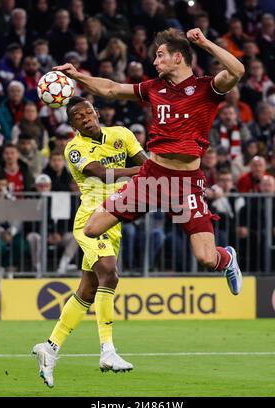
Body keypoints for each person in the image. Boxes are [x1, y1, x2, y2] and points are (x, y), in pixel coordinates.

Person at [54, 27, 244, 296]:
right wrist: (76, 76)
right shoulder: (154, 88)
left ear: (178, 57)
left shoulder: (207, 88)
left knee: (206, 258)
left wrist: (204, 43)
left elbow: (237, 71)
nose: (154, 62)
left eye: (160, 55)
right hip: (151, 177)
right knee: (92, 228)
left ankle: (227, 259)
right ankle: (94, 284)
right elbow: (110, 89)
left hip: (185, 185)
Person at [32, 97, 147, 387]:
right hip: (90, 222)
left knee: (88, 289)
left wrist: (154, 171)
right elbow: (100, 173)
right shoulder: (74, 148)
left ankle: (50, 347)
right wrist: (140, 172)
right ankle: (108, 350)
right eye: (77, 116)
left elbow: (147, 164)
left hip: (115, 220)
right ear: (72, 124)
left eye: (87, 112)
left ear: (97, 113)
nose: (85, 117)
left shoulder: (122, 134)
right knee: (110, 273)